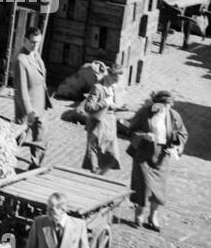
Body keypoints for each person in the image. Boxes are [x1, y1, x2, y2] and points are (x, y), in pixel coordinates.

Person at [127, 90, 188, 231]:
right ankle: (139, 214)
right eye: (161, 105)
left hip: (162, 156)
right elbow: (131, 130)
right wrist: (143, 135)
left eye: (167, 105)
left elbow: (182, 134)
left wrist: (176, 145)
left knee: (159, 189)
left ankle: (153, 217)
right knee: (142, 185)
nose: (164, 108)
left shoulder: (174, 116)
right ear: (155, 103)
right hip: (144, 154)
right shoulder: (144, 113)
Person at [23, 193, 92, 248]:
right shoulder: (39, 222)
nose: (48, 212)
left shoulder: (79, 225)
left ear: (63, 209)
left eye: (52, 209)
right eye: (48, 208)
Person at [12, 30, 51, 168]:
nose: (35, 46)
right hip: (28, 108)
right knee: (20, 137)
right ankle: (4, 157)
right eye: (33, 42)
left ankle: (35, 166)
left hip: (40, 104)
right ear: (25, 41)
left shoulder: (35, 55)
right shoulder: (21, 60)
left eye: (38, 43)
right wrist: (29, 112)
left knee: (41, 138)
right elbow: (21, 90)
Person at [81, 69, 123, 174]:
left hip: (110, 124)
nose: (116, 81)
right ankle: (94, 174)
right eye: (115, 78)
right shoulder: (97, 88)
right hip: (97, 124)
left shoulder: (113, 87)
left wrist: (115, 106)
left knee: (112, 153)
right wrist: (104, 102)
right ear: (109, 76)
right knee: (95, 150)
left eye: (118, 79)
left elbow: (113, 103)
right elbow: (88, 107)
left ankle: (101, 172)